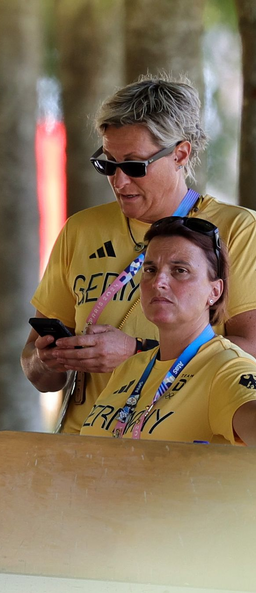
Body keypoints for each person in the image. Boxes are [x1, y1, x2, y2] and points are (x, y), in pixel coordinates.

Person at [22, 75, 256, 434]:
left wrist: (136, 352)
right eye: (108, 164)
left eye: (134, 166)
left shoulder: (237, 230)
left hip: (176, 452)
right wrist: (48, 359)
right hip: (83, 446)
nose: (119, 181)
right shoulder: (81, 230)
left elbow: (250, 352)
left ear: (180, 154)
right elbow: (35, 367)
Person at [80, 217, 256, 444]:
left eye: (180, 270)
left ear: (214, 292)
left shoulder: (226, 366)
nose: (158, 282)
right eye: (150, 269)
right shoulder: (130, 367)